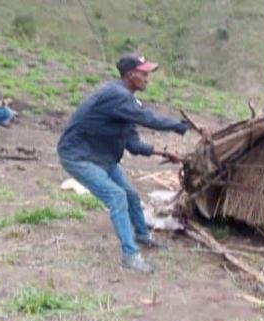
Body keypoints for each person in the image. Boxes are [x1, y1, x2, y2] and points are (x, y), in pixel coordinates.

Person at [57, 53, 196, 274]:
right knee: (117, 196)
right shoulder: (117, 96)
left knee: (130, 195)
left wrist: (164, 152)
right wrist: (183, 126)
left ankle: (142, 235)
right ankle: (130, 255)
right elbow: (148, 119)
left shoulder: (127, 102)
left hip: (103, 157)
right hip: (79, 156)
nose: (147, 79)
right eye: (144, 74)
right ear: (131, 75)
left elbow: (133, 144)